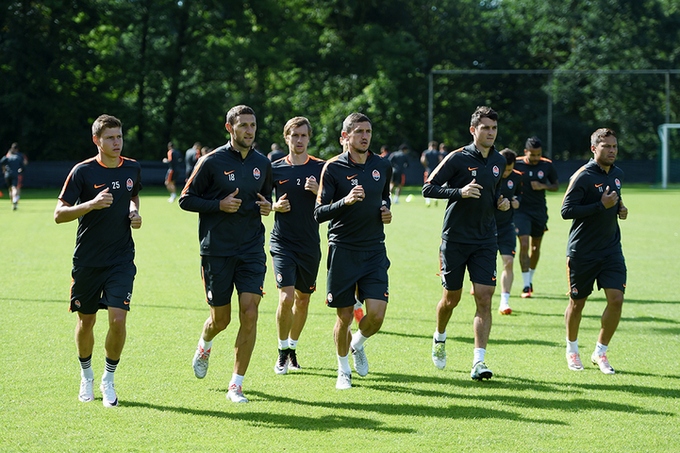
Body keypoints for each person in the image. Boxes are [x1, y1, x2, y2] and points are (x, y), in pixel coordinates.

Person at [179, 105, 272, 403]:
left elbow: (266, 198)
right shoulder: (210, 161)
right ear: (229, 128)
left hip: (251, 249)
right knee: (221, 320)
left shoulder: (262, 163)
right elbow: (185, 199)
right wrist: (218, 205)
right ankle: (205, 343)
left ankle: (236, 385)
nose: (249, 130)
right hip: (217, 250)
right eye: (243, 125)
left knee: (250, 313)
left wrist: (267, 206)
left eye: (253, 125)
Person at [54, 114, 143, 407]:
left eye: (119, 137)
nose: (116, 143)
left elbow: (133, 195)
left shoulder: (132, 168)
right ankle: (87, 375)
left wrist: (134, 212)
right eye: (110, 138)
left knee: (118, 319)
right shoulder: (82, 172)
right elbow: (59, 214)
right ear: (96, 140)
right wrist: (91, 204)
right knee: (87, 321)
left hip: (121, 258)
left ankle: (108, 379)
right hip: (88, 260)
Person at [422, 106, 509, 381]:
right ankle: (439, 337)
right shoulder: (457, 158)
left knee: (484, 297)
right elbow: (428, 188)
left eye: (494, 128)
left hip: (485, 239)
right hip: (455, 239)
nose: (491, 133)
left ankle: (479, 362)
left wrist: (501, 203)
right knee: (452, 299)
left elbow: (495, 194)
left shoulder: (499, 161)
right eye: (485, 128)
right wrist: (459, 192)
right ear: (473, 130)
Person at [314, 112, 392, 390]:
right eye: (359, 131)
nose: (365, 136)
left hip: (374, 250)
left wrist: (386, 210)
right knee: (345, 316)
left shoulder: (382, 165)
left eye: (368, 131)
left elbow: (385, 196)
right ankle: (343, 370)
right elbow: (319, 213)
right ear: (345, 137)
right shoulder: (333, 168)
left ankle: (357, 344)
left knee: (377, 315)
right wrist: (345, 202)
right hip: (343, 250)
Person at [561, 128, 627, 375]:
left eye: (614, 146)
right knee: (577, 303)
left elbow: (615, 200)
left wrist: (620, 208)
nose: (612, 150)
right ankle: (572, 350)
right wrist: (600, 206)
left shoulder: (618, 174)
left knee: (616, 299)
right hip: (582, 252)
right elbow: (566, 211)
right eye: (606, 146)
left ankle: (600, 351)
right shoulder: (582, 176)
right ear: (594, 148)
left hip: (611, 249)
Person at [270, 116, 326, 375]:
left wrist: (318, 192)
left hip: (310, 244)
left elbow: (336, 203)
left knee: (303, 300)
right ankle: (282, 351)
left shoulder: (321, 168)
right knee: (286, 297)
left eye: (303, 135)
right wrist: (275, 206)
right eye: (295, 135)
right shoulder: (275, 169)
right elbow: (259, 202)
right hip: (282, 242)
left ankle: (292, 347)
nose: (299, 140)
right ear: (286, 138)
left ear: (309, 138)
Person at [513, 136, 559, 298]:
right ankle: (526, 285)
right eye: (532, 154)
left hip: (539, 211)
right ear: (525, 151)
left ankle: (530, 279)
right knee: (524, 244)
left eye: (538, 154)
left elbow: (556, 186)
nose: (536, 157)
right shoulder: (516, 163)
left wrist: (542, 186)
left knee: (535, 247)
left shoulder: (547, 165)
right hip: (520, 211)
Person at [495, 148, 522, 315]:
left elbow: (519, 195)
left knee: (509, 262)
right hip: (487, 226)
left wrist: (517, 201)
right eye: (504, 169)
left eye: (509, 170)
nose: (506, 173)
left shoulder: (517, 177)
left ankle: (504, 302)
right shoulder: (489, 175)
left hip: (506, 227)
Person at [1, 142, 28, 210]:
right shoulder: (19, 156)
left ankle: (13, 201)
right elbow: (24, 164)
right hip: (16, 174)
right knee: (15, 188)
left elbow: (2, 162)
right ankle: (15, 200)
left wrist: (4, 170)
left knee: (10, 189)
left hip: (7, 174)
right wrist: (21, 170)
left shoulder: (8, 156)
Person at [420, 140, 442, 207]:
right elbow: (441, 159)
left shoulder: (426, 152)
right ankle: (435, 198)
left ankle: (428, 201)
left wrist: (426, 166)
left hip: (428, 170)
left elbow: (423, 160)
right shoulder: (437, 153)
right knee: (436, 184)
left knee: (427, 185)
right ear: (435, 146)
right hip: (436, 171)